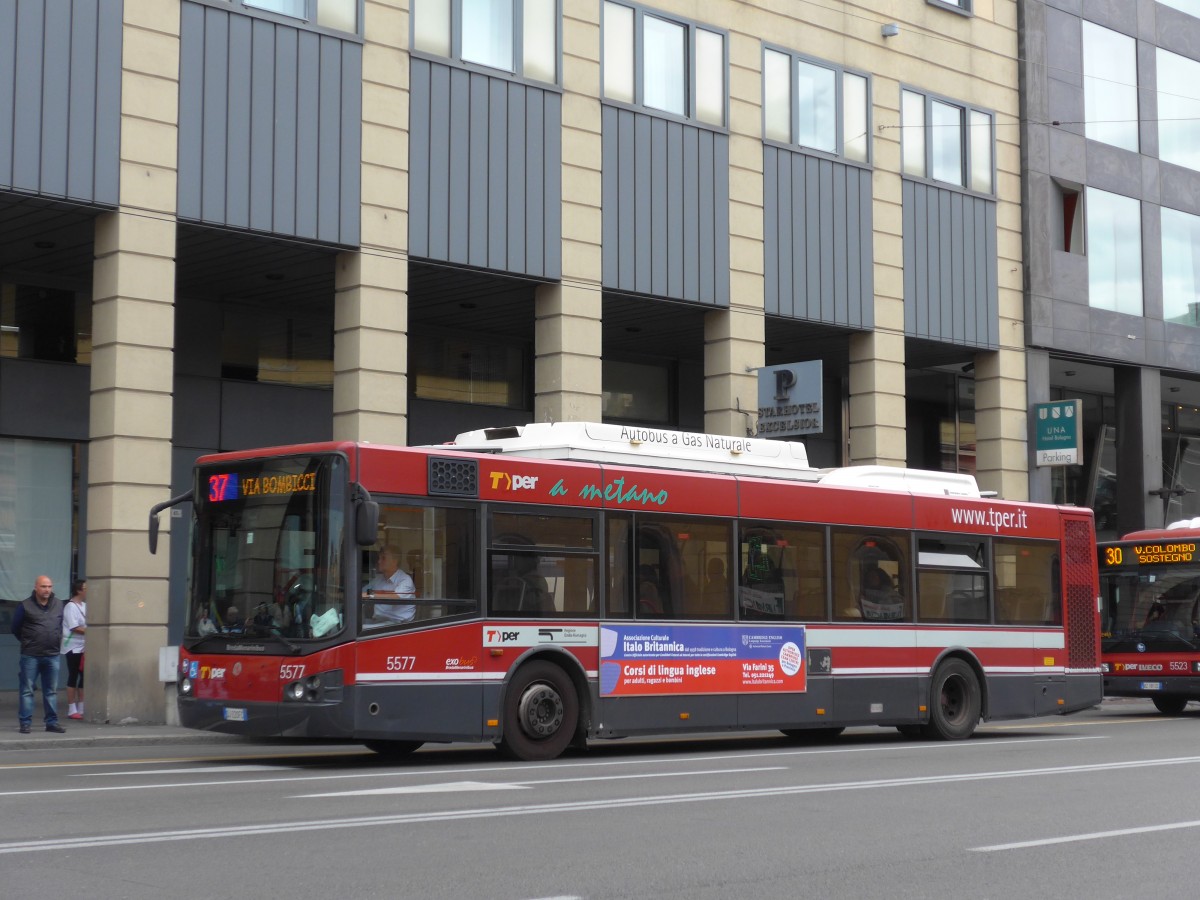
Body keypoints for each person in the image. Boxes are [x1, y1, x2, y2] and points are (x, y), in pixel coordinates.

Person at [10, 575, 66, 734]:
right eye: (43, 586)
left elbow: (60, 625)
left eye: (49, 586)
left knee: (51, 691)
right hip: (31, 655)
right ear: (36, 587)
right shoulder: (25, 605)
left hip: (52, 654)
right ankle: (25, 723)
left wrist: (56, 640)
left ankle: (52, 723)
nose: (47, 589)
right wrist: (28, 641)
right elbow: (15, 628)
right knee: (27, 690)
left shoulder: (58, 604)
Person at [364, 545, 416, 624]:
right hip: (379, 622)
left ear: (395, 561)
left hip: (398, 626)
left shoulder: (405, 579)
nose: (379, 561)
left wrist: (370, 594)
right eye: (379, 558)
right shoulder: (378, 579)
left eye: (383, 558)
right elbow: (363, 592)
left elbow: (396, 597)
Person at [62, 578, 87, 720]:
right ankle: (72, 709)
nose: (87, 590)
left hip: (84, 646)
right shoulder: (70, 607)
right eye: (85, 587)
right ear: (79, 590)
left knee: (84, 676)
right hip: (72, 647)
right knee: (73, 675)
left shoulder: (84, 605)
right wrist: (92, 632)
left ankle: (82, 707)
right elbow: (74, 627)